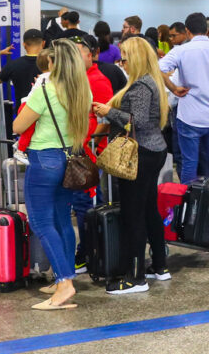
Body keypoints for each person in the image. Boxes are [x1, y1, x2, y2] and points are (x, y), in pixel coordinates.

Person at [12, 40, 91, 310]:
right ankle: (64, 277)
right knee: (62, 221)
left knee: (41, 222)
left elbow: (18, 125)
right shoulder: (81, 89)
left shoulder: (44, 89)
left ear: (54, 62)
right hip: (68, 158)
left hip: (44, 159)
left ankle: (65, 283)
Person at [92, 37, 170, 294]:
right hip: (152, 150)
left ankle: (135, 277)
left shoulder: (140, 86)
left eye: (124, 59)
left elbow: (137, 121)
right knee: (148, 209)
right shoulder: (152, 81)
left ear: (134, 59)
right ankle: (160, 266)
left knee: (133, 214)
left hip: (139, 154)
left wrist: (108, 111)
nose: (121, 63)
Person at [159, 13, 209, 184]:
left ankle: (189, 199)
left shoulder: (180, 51)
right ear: (207, 30)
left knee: (189, 164)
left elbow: (158, 69)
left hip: (189, 117)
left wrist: (173, 88)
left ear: (187, 31)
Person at [71, 34, 114, 274]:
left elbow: (105, 119)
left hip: (89, 154)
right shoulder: (78, 79)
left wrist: (89, 143)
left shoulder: (97, 80)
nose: (75, 59)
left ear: (91, 55)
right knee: (81, 204)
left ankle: (87, 253)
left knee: (86, 204)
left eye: (79, 54)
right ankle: (87, 251)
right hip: (79, 152)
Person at [0, 28, 45, 105]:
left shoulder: (13, 64)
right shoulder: (51, 64)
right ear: (43, 43)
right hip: (46, 110)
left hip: (22, 109)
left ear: (24, 44)